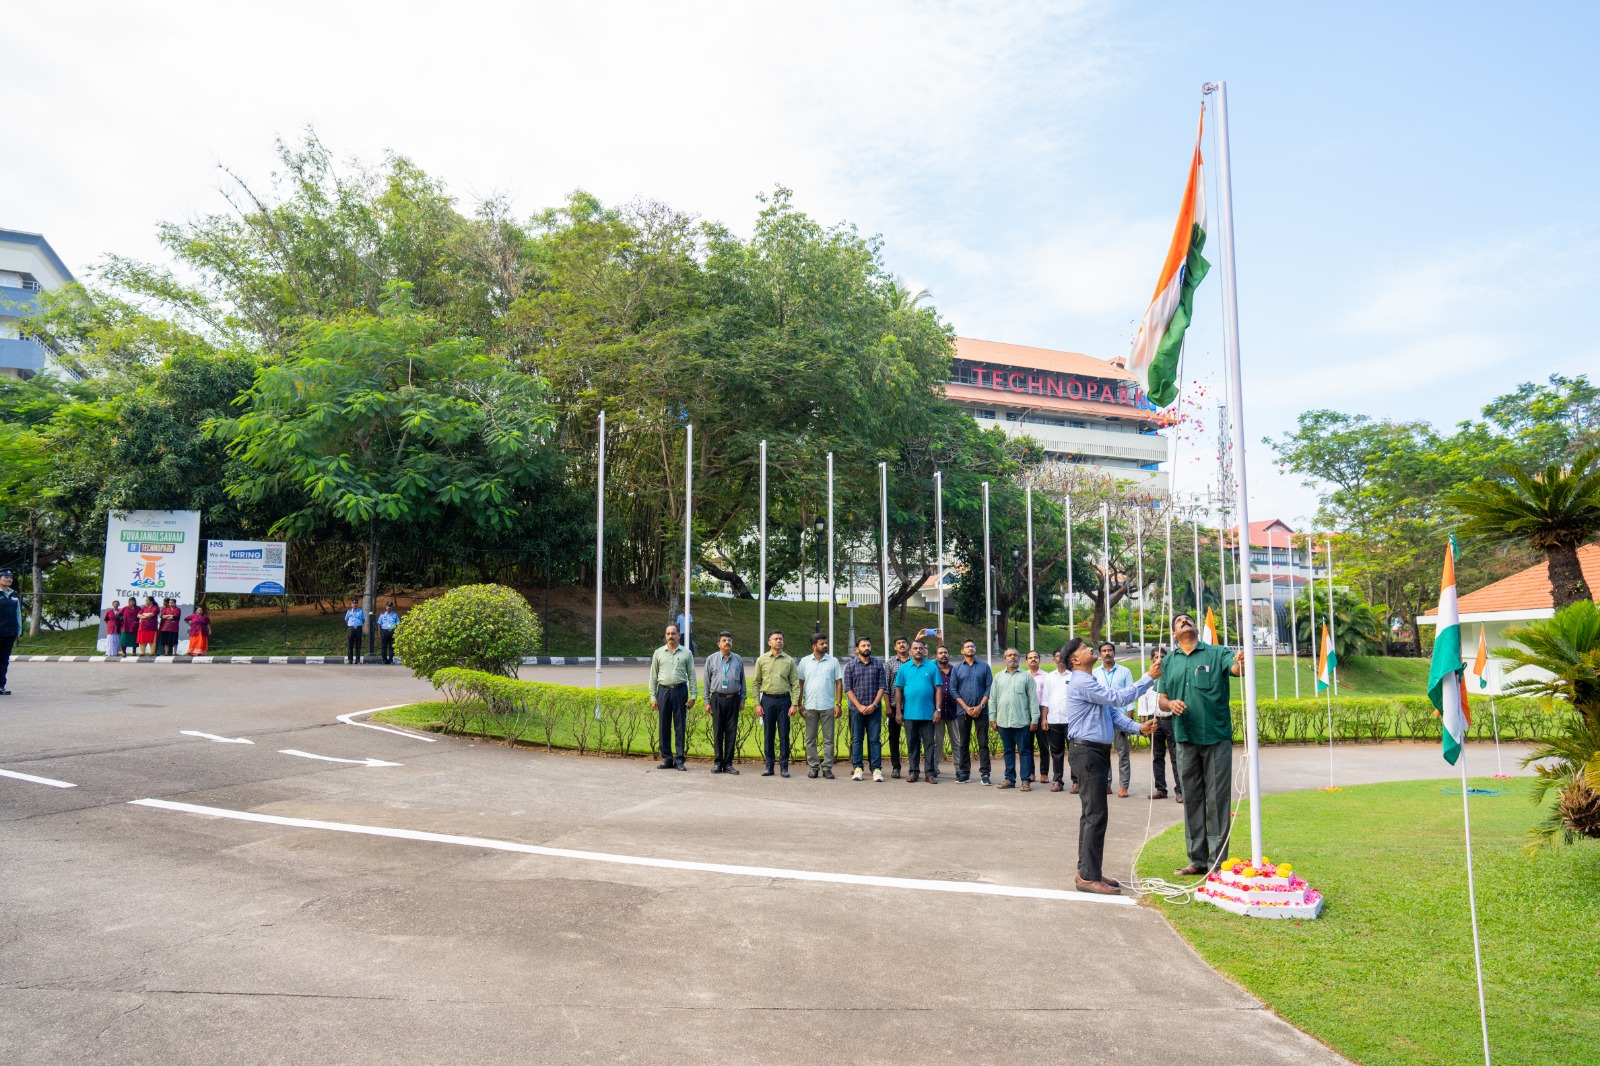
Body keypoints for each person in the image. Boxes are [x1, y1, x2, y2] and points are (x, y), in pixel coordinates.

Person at [1060, 637, 1161, 894]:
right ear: (1074, 660)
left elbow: (1111, 713)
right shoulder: (1081, 680)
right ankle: (1087, 876)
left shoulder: (1089, 679)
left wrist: (1138, 728)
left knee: (1092, 815)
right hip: (1087, 752)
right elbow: (1117, 699)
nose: (1090, 649)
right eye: (1084, 648)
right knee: (1095, 815)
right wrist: (1147, 678)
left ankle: (1089, 870)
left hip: (1093, 752)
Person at [1159, 613, 1245, 877]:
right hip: (1184, 737)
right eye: (1179, 621)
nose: (1184, 621)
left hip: (1215, 736)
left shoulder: (1217, 652)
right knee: (1192, 799)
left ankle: (1217, 863)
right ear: (1174, 634)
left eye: (1188, 619)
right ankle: (1196, 860)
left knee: (1217, 800)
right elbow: (1162, 699)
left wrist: (1241, 663)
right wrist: (1170, 704)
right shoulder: (1169, 661)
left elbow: (1235, 670)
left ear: (1195, 627)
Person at [892, 638, 943, 783]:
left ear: (924, 651)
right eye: (915, 648)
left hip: (928, 713)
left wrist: (937, 709)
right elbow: (899, 690)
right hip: (910, 713)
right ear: (910, 651)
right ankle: (913, 772)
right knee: (912, 743)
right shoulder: (904, 668)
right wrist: (898, 712)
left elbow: (938, 689)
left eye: (921, 648)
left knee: (928, 744)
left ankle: (929, 773)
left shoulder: (932, 668)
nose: (918, 651)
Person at [751, 630, 800, 777]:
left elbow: (795, 683)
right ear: (769, 642)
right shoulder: (762, 660)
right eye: (776, 639)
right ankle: (769, 767)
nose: (779, 641)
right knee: (768, 735)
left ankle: (784, 767)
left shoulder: (789, 661)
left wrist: (794, 703)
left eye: (781, 639)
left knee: (784, 735)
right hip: (767, 700)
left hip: (784, 700)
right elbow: (756, 683)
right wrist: (757, 704)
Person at [649, 623, 697, 771]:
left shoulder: (686, 653)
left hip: (680, 691)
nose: (671, 636)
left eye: (673, 633)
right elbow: (653, 676)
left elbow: (692, 675)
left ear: (679, 636)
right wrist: (653, 697)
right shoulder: (658, 653)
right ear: (665, 636)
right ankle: (667, 758)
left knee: (680, 725)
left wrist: (694, 695)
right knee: (664, 726)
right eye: (668, 634)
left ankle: (680, 759)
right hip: (663, 692)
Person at [991, 647, 1041, 790]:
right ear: (1004, 658)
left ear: (1019, 659)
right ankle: (1009, 779)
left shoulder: (1026, 677)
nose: (1012, 657)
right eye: (1009, 655)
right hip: (1003, 720)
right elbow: (993, 699)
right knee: (1008, 751)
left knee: (1024, 751)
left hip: (1022, 721)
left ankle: (1025, 780)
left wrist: (1034, 719)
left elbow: (1033, 700)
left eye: (1015, 655)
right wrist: (992, 718)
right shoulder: (998, 677)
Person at [1137, 645, 1181, 801]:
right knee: (1157, 756)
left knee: (1176, 756)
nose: (1160, 659)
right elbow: (1142, 699)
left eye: (1163, 657)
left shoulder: (1171, 675)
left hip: (1170, 720)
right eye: (1157, 657)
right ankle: (1160, 788)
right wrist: (1143, 721)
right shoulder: (1147, 677)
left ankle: (1180, 790)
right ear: (1152, 659)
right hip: (1154, 721)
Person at [795, 634, 843, 779]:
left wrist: (838, 704)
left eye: (825, 643)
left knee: (828, 739)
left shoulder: (833, 661)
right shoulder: (804, 662)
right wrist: (799, 703)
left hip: (827, 705)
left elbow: (839, 683)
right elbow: (800, 683)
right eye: (822, 643)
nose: (825, 645)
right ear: (814, 646)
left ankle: (827, 768)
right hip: (810, 706)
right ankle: (814, 767)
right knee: (811, 739)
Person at [1092, 642, 1134, 797]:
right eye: (1104, 651)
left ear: (1114, 653)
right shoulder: (1095, 673)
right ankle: (1106, 783)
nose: (1107, 653)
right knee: (1103, 753)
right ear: (1100, 654)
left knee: (1123, 753)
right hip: (1102, 718)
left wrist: (1129, 717)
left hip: (1120, 718)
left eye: (1110, 650)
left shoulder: (1125, 671)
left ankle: (1123, 786)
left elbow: (1130, 693)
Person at [842, 636, 887, 781]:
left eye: (868, 645)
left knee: (875, 739)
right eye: (863, 646)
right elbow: (848, 689)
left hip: (874, 709)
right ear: (857, 649)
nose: (866, 648)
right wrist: (859, 706)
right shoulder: (850, 666)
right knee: (857, 739)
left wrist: (874, 704)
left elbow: (882, 687)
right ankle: (858, 768)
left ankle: (876, 769)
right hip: (856, 710)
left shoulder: (878, 665)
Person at [950, 638, 994, 785]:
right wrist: (966, 708)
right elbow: (953, 690)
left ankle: (985, 773)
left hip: (982, 711)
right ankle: (964, 773)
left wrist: (980, 706)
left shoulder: (984, 667)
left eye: (973, 646)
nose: (971, 648)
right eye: (967, 647)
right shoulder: (957, 668)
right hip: (963, 711)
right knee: (963, 743)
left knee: (983, 743)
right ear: (962, 651)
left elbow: (989, 687)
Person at [702, 631, 746, 774]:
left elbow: (743, 680)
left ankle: (728, 763)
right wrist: (707, 701)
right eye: (724, 640)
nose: (727, 642)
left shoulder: (738, 659)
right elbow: (706, 682)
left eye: (729, 640)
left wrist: (742, 698)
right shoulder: (711, 659)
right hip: (717, 699)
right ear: (719, 644)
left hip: (734, 699)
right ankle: (718, 762)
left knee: (731, 732)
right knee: (718, 731)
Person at [1039, 647, 1072, 791]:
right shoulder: (1049, 677)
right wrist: (1044, 718)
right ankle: (1057, 781)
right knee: (1056, 752)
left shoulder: (1074, 676)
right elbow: (1045, 699)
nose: (1060, 659)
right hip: (1053, 720)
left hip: (1071, 721)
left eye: (1063, 656)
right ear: (1054, 660)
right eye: (1058, 656)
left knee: (1074, 753)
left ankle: (1076, 781)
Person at [884, 636, 911, 778]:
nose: (901, 645)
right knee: (894, 738)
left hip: (912, 706)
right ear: (895, 647)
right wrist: (888, 706)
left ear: (908, 646)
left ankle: (914, 767)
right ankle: (896, 767)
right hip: (895, 706)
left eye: (904, 643)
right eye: (898, 643)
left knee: (913, 737)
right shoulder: (890, 664)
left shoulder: (915, 661)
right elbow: (886, 687)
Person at [931, 644, 956, 780]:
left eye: (945, 652)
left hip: (954, 711)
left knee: (957, 742)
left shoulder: (956, 670)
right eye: (940, 653)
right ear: (936, 657)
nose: (943, 655)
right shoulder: (933, 670)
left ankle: (959, 768)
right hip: (938, 712)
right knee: (937, 741)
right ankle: (934, 767)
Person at [1026, 650, 1050, 784]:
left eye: (1035, 657)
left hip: (1042, 711)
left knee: (1043, 745)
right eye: (1030, 658)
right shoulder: (1023, 676)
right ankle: (1030, 772)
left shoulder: (1047, 676)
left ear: (1039, 660)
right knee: (1027, 745)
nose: (1033, 659)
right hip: (1027, 712)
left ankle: (1044, 773)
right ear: (1026, 661)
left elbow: (1048, 697)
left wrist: (1044, 717)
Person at [0, 569, 21, 694]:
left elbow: (18, 613)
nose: (9, 579)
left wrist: (18, 629)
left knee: (4, 659)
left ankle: (1, 686)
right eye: (5, 577)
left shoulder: (13, 594)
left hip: (10, 631)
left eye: (10, 577)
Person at [343, 598, 366, 664]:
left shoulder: (360, 611)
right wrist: (350, 625)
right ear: (351, 604)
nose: (355, 605)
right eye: (353, 603)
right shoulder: (349, 611)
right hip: (351, 628)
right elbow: (346, 619)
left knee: (358, 644)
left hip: (358, 628)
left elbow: (363, 619)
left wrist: (358, 624)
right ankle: (350, 660)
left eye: (356, 603)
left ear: (357, 604)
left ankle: (357, 660)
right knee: (350, 644)